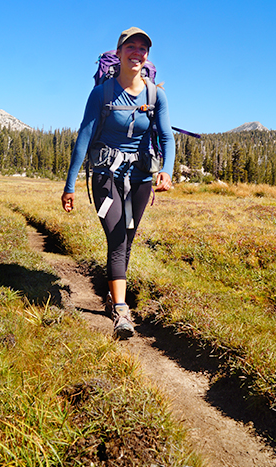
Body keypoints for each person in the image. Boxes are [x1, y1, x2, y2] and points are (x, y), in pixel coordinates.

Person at [62, 27, 175, 338]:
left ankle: (115, 295)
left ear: (147, 56)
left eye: (143, 48)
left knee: (128, 236)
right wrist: (69, 185)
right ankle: (122, 312)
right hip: (104, 177)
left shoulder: (156, 95)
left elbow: (166, 136)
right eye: (131, 46)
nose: (137, 52)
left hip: (140, 180)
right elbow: (83, 137)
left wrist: (167, 169)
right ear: (119, 51)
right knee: (117, 237)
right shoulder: (102, 93)